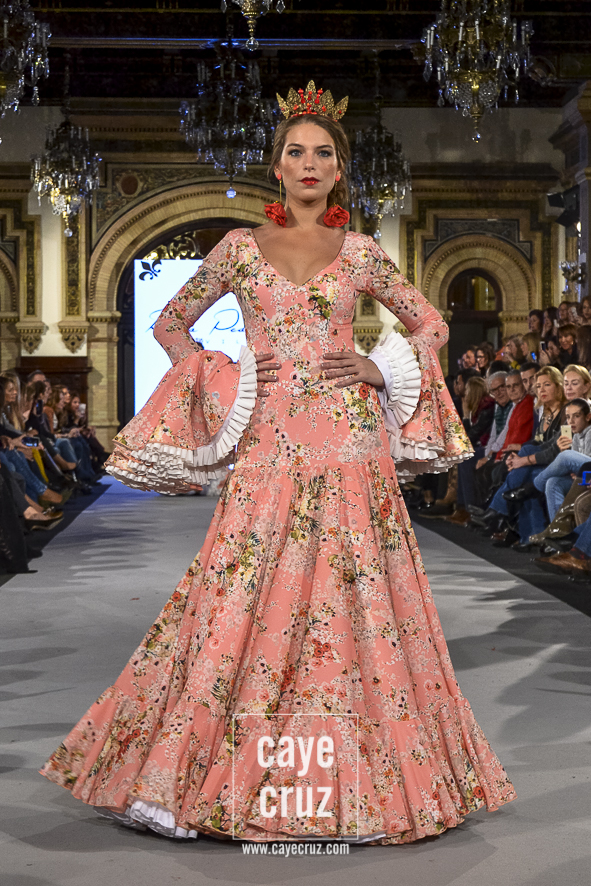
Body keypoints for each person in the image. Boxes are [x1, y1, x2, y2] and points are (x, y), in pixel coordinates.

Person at [40, 81, 515, 844]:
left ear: (339, 170)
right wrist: (225, 378)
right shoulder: (238, 248)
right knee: (245, 585)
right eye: (296, 151)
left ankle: (361, 782)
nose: (308, 163)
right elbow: (170, 324)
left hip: (349, 442)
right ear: (276, 165)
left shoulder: (360, 252)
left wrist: (376, 367)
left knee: (354, 595)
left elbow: (429, 324)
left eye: (322, 153)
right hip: (270, 440)